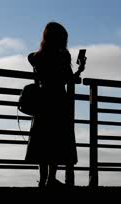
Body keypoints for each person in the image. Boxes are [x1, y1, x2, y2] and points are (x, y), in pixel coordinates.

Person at [25, 22, 86, 187]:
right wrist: (80, 70)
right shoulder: (62, 56)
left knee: (43, 141)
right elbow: (68, 78)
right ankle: (52, 179)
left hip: (42, 102)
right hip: (59, 101)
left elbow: (31, 57)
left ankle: (43, 179)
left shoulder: (37, 57)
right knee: (57, 141)